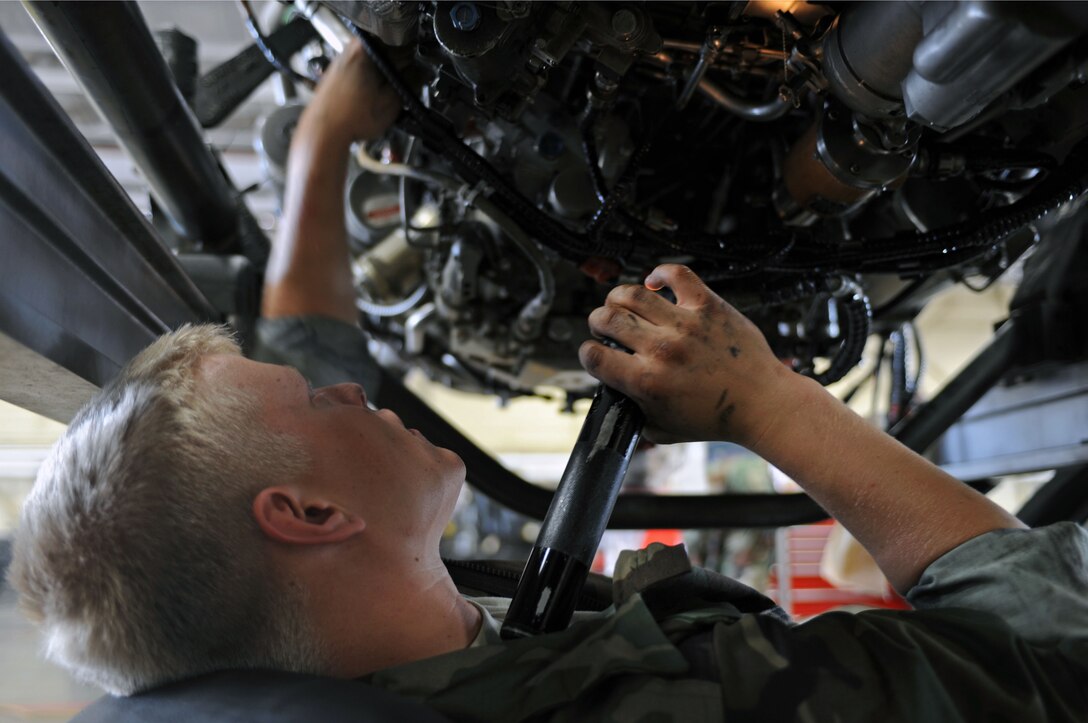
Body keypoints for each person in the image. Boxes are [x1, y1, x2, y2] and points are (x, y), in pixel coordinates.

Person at [8, 41, 1088, 722]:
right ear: (305, 511)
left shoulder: (397, 644)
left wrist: (324, 145)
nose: (344, 392)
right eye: (310, 406)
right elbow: (1044, 652)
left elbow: (314, 350)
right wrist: (762, 401)